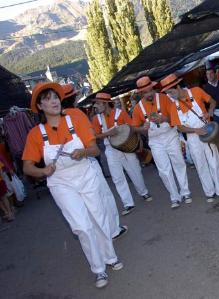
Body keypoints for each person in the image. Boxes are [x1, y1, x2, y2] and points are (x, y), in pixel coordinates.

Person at [22, 82, 122, 288]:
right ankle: (99, 270)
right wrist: (42, 171)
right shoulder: (35, 134)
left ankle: (110, 257)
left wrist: (83, 152)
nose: (54, 101)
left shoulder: (75, 118)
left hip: (85, 174)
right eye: (48, 99)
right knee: (82, 227)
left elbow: (95, 150)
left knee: (98, 217)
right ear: (40, 106)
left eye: (55, 97)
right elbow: (27, 168)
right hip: (60, 183)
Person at [61, 84, 127, 240]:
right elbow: (91, 139)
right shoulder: (77, 114)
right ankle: (113, 230)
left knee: (83, 204)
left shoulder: (56, 118)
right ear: (74, 98)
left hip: (67, 169)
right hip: (86, 159)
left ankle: (96, 233)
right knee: (103, 197)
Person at [163, 74, 219, 203]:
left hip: (207, 132)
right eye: (167, 93)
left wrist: (209, 112)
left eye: (170, 92)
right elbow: (180, 127)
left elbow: (212, 102)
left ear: (177, 86)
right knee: (201, 165)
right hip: (193, 138)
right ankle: (209, 193)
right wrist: (195, 130)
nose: (170, 95)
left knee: (214, 163)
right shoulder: (173, 106)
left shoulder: (196, 91)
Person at [132, 76, 192, 209]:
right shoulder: (138, 108)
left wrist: (164, 118)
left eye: (150, 90)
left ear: (153, 88)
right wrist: (143, 128)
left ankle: (186, 192)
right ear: (141, 93)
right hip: (155, 141)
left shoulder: (164, 98)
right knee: (164, 170)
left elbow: (175, 117)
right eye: (145, 92)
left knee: (179, 163)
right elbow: (134, 127)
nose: (149, 94)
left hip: (170, 135)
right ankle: (174, 197)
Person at [91, 92, 152, 216]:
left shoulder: (121, 113)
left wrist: (141, 132)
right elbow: (95, 135)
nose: (95, 106)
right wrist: (108, 133)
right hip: (110, 150)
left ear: (105, 103)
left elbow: (131, 128)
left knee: (134, 171)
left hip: (127, 148)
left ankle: (143, 192)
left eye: (97, 103)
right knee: (117, 177)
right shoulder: (96, 119)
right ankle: (128, 203)